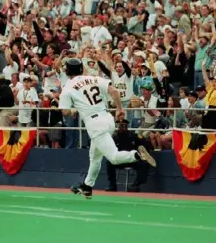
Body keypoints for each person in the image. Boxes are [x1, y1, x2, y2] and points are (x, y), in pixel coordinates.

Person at [59, 58, 156, 199]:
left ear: (67, 71)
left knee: (114, 157)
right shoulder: (93, 78)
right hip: (107, 118)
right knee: (95, 157)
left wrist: (74, 110)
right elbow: (114, 91)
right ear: (81, 69)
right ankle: (87, 187)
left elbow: (65, 112)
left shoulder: (67, 88)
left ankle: (136, 155)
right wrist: (119, 109)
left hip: (95, 124)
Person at [105, 118, 152, 192]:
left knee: (144, 164)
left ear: (126, 127)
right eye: (119, 126)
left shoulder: (133, 136)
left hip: (132, 160)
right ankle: (112, 185)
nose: (121, 128)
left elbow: (145, 144)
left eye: (123, 126)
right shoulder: (114, 137)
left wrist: (142, 152)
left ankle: (136, 185)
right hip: (120, 160)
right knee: (109, 162)